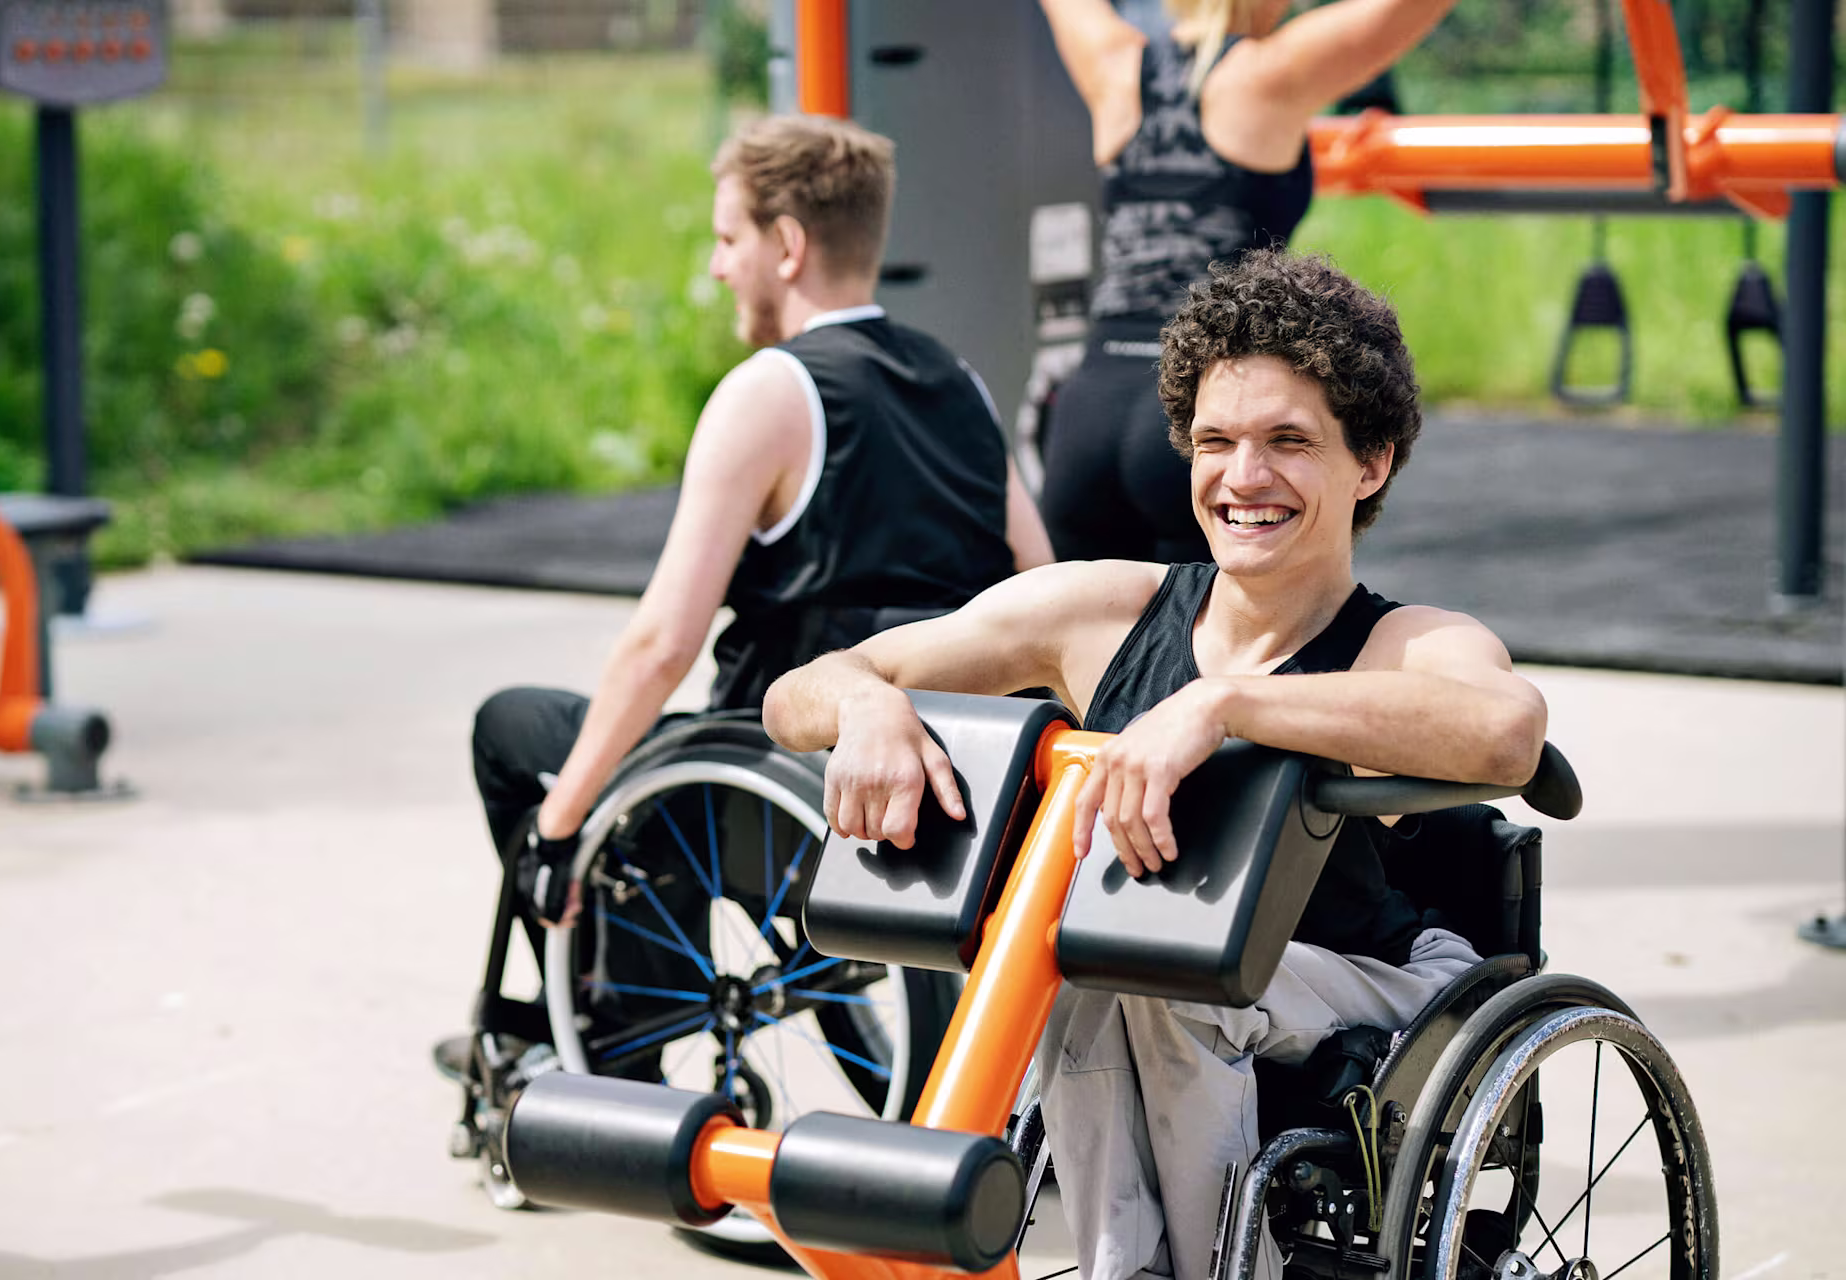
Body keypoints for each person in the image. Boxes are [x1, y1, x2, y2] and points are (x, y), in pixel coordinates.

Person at [764, 249, 1547, 1280]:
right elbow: (795, 694)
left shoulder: (1402, 642)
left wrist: (1225, 703)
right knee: (1100, 956)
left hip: (1372, 979)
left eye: (1289, 442)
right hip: (1148, 971)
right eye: (1216, 441)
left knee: (1160, 971)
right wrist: (867, 704)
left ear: (1371, 464)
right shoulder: (1101, 612)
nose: (1244, 477)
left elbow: (1506, 730)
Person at [439, 114, 1053, 1080]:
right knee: (654, 760)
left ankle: (618, 1033)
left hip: (782, 785)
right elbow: (1038, 586)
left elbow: (662, 643)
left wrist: (558, 829)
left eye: (729, 239)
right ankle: (625, 1012)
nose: (718, 266)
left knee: (513, 729)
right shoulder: (962, 384)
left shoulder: (771, 391)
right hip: (953, 782)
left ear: (787, 244)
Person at [1034, 0, 1459, 564]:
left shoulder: (1113, 62)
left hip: (1089, 411)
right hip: (1207, 397)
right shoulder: (1269, 72)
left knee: (1091, 618)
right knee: (1220, 621)